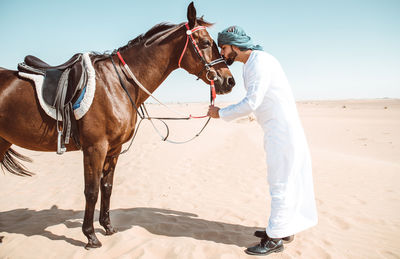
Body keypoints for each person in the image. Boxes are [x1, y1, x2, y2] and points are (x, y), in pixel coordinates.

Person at [208, 26, 318, 256]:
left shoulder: (259, 63)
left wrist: (221, 113)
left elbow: (252, 102)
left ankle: (275, 239)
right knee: (284, 180)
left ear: (235, 47)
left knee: (280, 183)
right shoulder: (252, 63)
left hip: (282, 131)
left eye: (224, 48)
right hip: (276, 130)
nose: (222, 53)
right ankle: (282, 228)